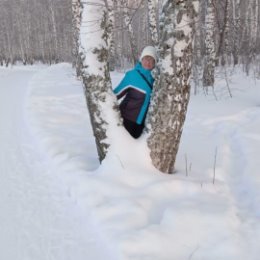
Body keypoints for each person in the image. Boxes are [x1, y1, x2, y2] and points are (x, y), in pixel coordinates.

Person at [113, 46, 157, 138]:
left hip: (142, 123)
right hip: (127, 119)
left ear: (154, 63)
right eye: (146, 59)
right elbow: (115, 94)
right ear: (141, 59)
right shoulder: (132, 75)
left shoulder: (156, 79)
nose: (148, 62)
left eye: (151, 60)